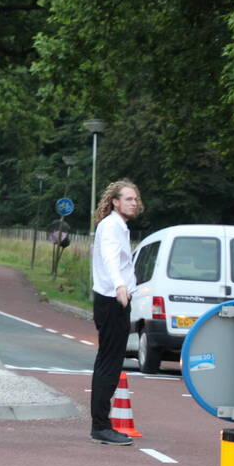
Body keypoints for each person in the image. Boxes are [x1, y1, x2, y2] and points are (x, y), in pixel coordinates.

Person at [89, 179, 143, 445]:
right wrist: (120, 285)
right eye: (128, 199)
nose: (133, 203)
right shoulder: (112, 226)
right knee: (109, 363)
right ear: (115, 201)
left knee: (109, 361)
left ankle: (101, 424)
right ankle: (100, 426)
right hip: (112, 299)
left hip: (115, 298)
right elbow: (110, 258)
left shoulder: (118, 226)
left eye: (135, 199)